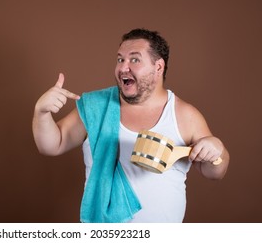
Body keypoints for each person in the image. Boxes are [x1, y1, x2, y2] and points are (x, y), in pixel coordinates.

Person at [32, 28, 230, 223]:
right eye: (120, 59)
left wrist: (216, 150)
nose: (123, 68)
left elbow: (215, 172)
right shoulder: (95, 106)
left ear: (158, 67)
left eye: (134, 59)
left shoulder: (185, 115)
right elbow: (51, 145)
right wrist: (41, 113)